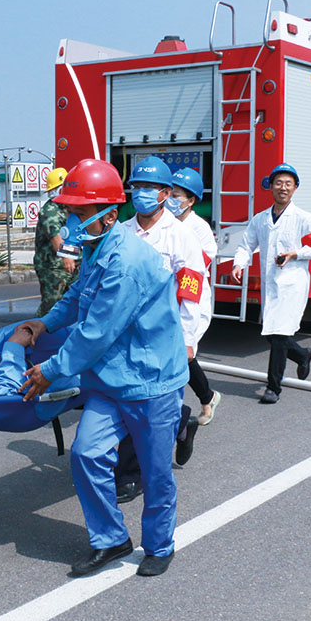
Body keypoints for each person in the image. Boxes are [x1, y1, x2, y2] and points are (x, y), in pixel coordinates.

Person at [18, 158, 188, 578]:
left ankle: (159, 543)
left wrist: (49, 371)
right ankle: (111, 539)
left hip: (151, 382)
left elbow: (95, 333)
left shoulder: (127, 262)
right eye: (72, 212)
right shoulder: (98, 248)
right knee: (87, 453)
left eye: (79, 214)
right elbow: (76, 298)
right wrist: (45, 322)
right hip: (111, 381)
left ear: (109, 214)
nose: (74, 222)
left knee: (154, 472)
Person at [114, 156, 208, 493]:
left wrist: (187, 337)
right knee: (128, 398)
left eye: (149, 188)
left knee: (150, 406)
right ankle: (180, 424)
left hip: (165, 335)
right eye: (137, 186)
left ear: (165, 193)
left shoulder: (180, 236)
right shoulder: (121, 233)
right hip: (126, 334)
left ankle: (131, 474)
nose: (141, 193)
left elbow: (191, 290)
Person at [229, 163, 311, 404]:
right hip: (271, 284)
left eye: (288, 184)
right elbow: (246, 245)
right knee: (271, 334)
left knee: (280, 336)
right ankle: (303, 355)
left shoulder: (303, 218)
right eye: (279, 183)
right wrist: (239, 264)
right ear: (270, 186)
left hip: (292, 284)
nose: (283, 188)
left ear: (295, 188)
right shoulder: (260, 219)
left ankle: (273, 387)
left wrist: (295, 253)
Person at [168, 166, 222, 425]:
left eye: (176, 196)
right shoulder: (162, 222)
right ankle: (207, 397)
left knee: (183, 353)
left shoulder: (198, 227)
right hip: (166, 298)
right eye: (169, 193)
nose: (171, 200)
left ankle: (202, 400)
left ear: (191, 201)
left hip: (192, 298)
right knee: (176, 354)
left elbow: (201, 261)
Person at [33, 166, 79, 316]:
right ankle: (35, 332)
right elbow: (55, 236)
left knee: (74, 302)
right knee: (51, 304)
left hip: (74, 263)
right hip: (52, 266)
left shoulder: (71, 208)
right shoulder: (50, 210)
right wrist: (67, 256)